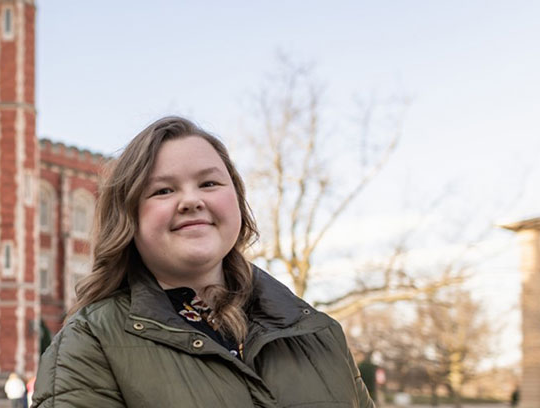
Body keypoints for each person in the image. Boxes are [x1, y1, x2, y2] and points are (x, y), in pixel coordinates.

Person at [32, 116, 374, 407]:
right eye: (163, 191)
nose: (191, 200)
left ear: (237, 201)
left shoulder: (319, 333)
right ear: (129, 218)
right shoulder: (89, 343)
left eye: (209, 183)